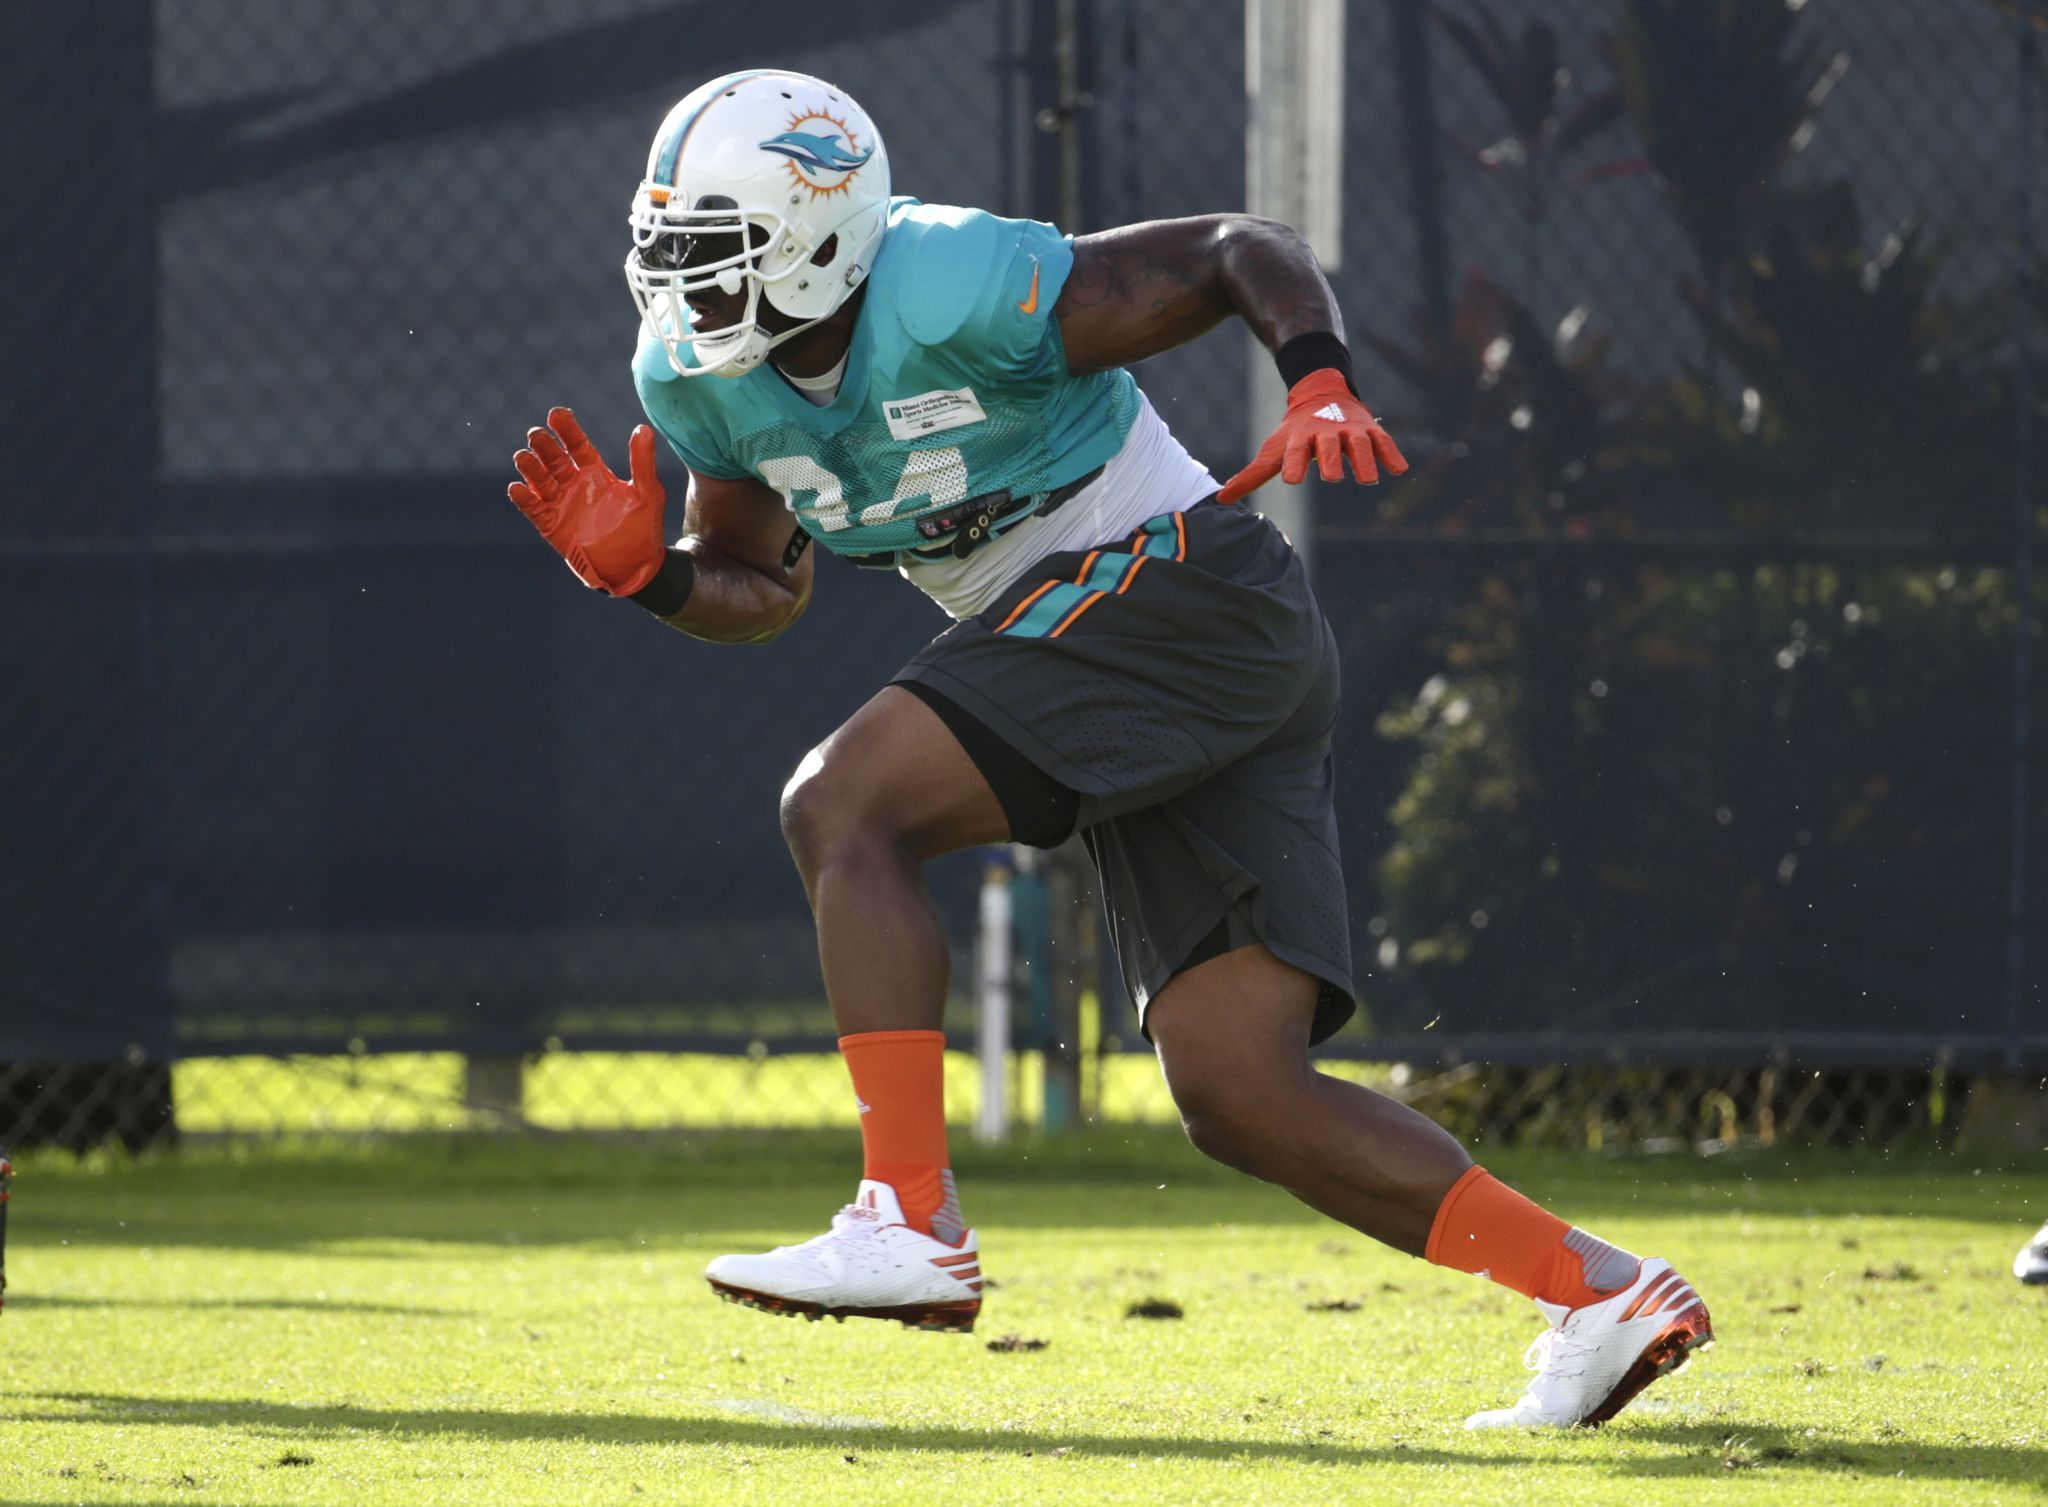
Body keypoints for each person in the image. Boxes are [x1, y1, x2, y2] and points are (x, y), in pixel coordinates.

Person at [505, 68, 1713, 1429]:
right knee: (1239, 1091)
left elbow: (1233, 249)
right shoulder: (698, 381)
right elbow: (760, 589)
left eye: (719, 264)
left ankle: (906, 1216)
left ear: (820, 236)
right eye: (674, 264)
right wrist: (646, 577)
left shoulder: (948, 280)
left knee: (843, 805)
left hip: (1186, 592)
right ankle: (1602, 1293)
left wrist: (1315, 383)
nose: (687, 301)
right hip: (1144, 651)